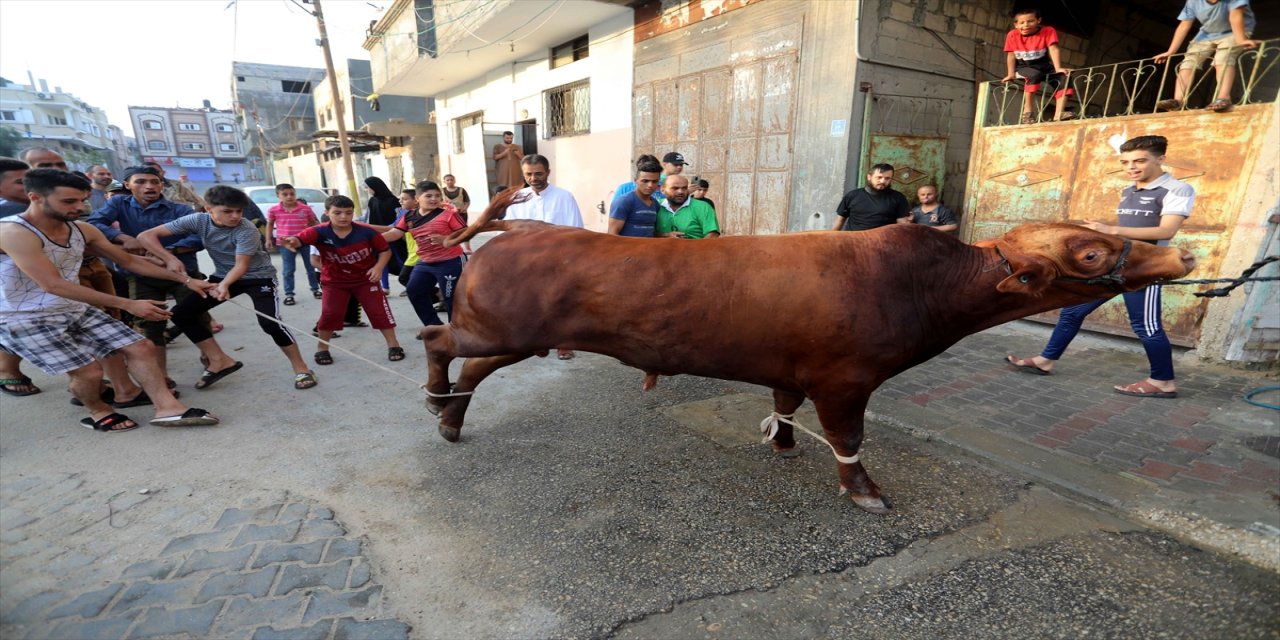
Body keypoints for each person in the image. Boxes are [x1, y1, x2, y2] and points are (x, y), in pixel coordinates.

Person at [0, 169, 220, 430]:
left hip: (71, 306)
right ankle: (97, 410)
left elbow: (128, 260)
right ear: (35, 197)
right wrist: (128, 303)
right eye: (69, 202)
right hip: (22, 316)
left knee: (142, 347)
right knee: (90, 372)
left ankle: (168, 408)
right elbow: (53, 284)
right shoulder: (14, 232)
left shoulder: (81, 229)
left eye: (82, 200)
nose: (79, 208)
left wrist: (186, 280)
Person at [1006, 135, 1193, 398]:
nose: (1132, 167)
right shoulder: (1130, 190)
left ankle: (1163, 382)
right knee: (1072, 312)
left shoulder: (1177, 189)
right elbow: (1129, 232)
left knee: (1146, 325)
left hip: (1144, 268)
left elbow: (1167, 230)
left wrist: (1110, 230)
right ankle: (1045, 361)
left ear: (1160, 159)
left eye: (1140, 161)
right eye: (1126, 162)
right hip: (1114, 267)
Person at [137, 185, 318, 391]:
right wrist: (169, 258)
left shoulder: (246, 229)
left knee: (270, 323)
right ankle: (218, 360)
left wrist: (224, 286)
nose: (234, 216)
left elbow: (241, 266)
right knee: (180, 314)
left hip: (258, 278)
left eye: (238, 211)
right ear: (208, 209)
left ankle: (301, 368)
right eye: (227, 211)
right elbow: (146, 236)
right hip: (222, 275)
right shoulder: (198, 220)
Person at [88, 165, 210, 375]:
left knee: (196, 315)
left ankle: (212, 361)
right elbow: (94, 223)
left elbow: (200, 237)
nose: (149, 186)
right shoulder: (119, 203)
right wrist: (123, 237)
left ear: (162, 185)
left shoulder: (180, 210)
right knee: (149, 324)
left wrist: (165, 252)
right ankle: (160, 376)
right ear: (128, 185)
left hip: (183, 272)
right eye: (141, 182)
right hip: (141, 274)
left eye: (154, 182)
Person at [280, 195, 403, 365]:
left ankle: (394, 344)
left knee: (379, 311)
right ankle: (322, 348)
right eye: (337, 213)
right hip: (334, 281)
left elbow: (385, 250)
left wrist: (378, 267)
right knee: (330, 314)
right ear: (327, 213)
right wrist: (292, 241)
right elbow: (300, 239)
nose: (343, 217)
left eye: (348, 213)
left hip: (365, 279)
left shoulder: (366, 231)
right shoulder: (319, 231)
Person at [506, 155, 583, 359]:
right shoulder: (517, 198)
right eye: (528, 174)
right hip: (525, 261)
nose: (533, 178)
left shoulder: (564, 196)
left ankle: (563, 343)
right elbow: (507, 231)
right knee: (528, 302)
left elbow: (575, 229)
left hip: (557, 261)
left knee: (560, 302)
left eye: (538, 173)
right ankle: (535, 343)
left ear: (548, 172)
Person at [381, 181, 466, 328]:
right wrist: (368, 240)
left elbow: (466, 233)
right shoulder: (408, 217)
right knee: (414, 291)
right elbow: (395, 233)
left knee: (451, 299)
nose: (434, 199)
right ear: (417, 198)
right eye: (429, 196)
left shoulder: (449, 215)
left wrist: (447, 239)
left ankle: (456, 331)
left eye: (437, 196)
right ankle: (434, 327)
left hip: (450, 261)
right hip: (425, 261)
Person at [1154, 0, 1258, 113]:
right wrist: (1170, 51)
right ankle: (1177, 101)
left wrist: (1241, 39)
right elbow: (1184, 25)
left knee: (1222, 58)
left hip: (1235, 31)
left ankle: (1223, 98)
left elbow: (1235, 16)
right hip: (1207, 33)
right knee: (1189, 61)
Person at [1001, 7, 1075, 124]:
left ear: (1038, 21)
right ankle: (1028, 112)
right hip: (1023, 67)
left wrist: (1058, 68)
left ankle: (1059, 113)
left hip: (1044, 66)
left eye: (1030, 21)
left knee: (1064, 76)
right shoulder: (1012, 35)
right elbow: (1011, 56)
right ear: (1016, 25)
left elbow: (1054, 49)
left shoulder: (1048, 31)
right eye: (1022, 22)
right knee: (1034, 74)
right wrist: (1010, 74)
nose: (1026, 25)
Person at [266, 183, 320, 305]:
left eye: (292, 194)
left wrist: (320, 236)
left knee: (311, 267)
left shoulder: (305, 209)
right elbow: (269, 224)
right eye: (285, 194)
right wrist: (268, 239)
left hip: (305, 242)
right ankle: (289, 294)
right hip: (285, 244)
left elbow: (313, 223)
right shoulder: (274, 210)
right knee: (288, 270)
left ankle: (316, 289)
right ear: (278, 196)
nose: (289, 197)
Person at [830, 163, 910, 231]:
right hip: (853, 242)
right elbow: (840, 220)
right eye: (879, 177)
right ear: (869, 177)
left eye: (887, 178)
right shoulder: (852, 196)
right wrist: (831, 239)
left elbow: (902, 225)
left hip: (883, 243)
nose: (882, 181)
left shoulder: (898, 197)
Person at [365, 176, 404, 294]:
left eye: (368, 187)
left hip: (394, 234)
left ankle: (408, 284)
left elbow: (399, 217)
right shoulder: (372, 200)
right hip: (377, 235)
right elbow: (367, 217)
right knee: (381, 259)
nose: (367, 190)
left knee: (399, 259)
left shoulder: (392, 200)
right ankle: (385, 287)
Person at [607, 158, 662, 237]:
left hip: (649, 248)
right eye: (645, 181)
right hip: (627, 248)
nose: (650, 185)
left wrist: (667, 235)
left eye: (654, 181)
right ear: (635, 180)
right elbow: (612, 235)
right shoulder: (624, 201)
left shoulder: (655, 204)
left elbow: (651, 233)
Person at [656, 175, 721, 239]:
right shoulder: (655, 205)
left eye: (684, 188)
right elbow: (647, 233)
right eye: (675, 188)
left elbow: (713, 234)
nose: (680, 192)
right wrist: (666, 235)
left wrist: (695, 248)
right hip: (661, 248)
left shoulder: (703, 207)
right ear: (662, 190)